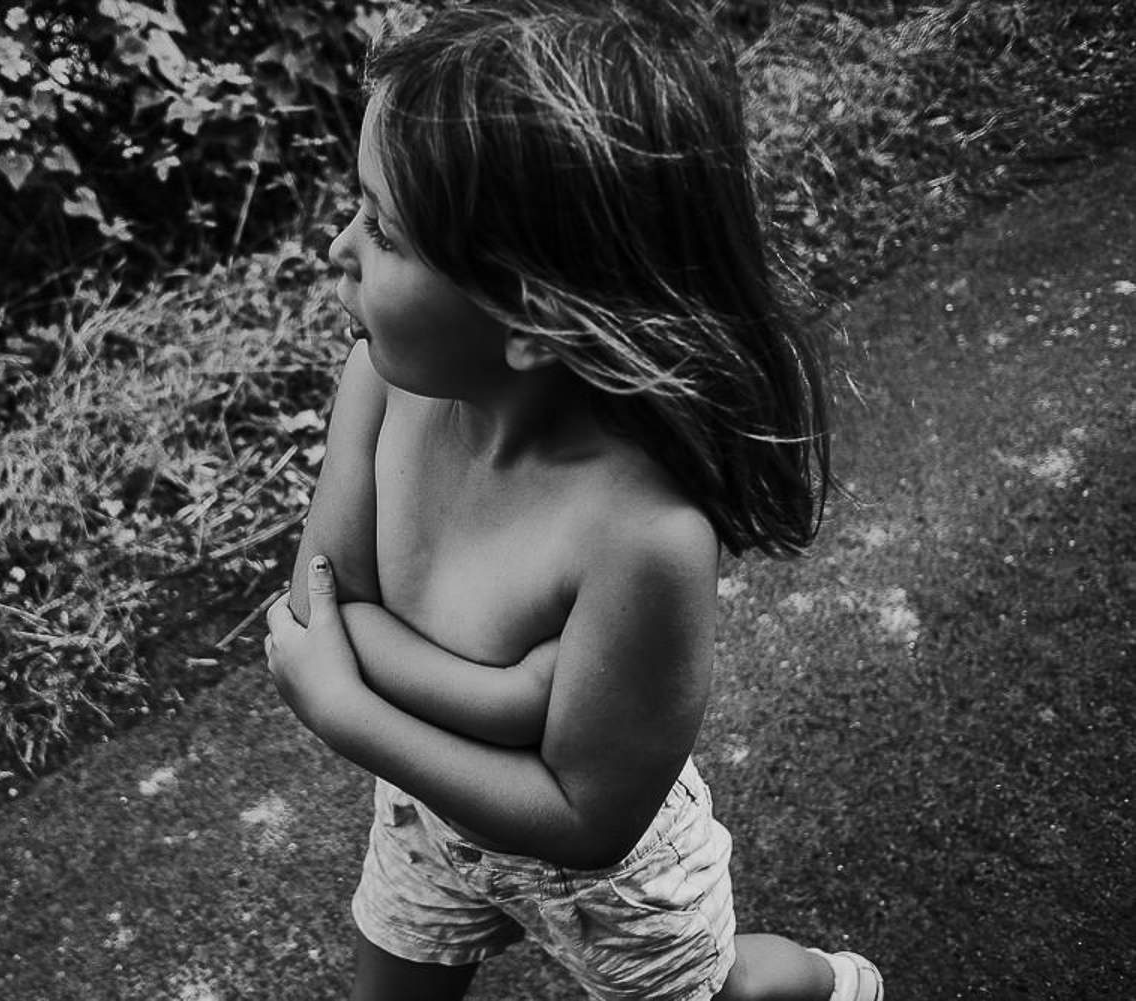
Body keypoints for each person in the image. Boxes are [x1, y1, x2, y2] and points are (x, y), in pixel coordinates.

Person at [263, 3, 882, 999]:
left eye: (382, 227)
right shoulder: (381, 378)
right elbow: (316, 607)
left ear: (532, 318)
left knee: (732, 991)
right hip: (428, 814)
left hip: (617, 887)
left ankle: (820, 981)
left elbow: (587, 814)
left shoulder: (640, 533)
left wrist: (350, 709)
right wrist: (514, 698)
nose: (338, 247)